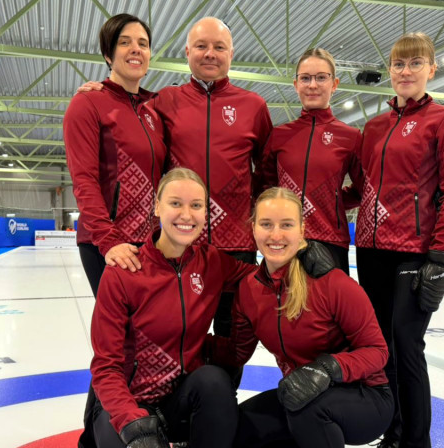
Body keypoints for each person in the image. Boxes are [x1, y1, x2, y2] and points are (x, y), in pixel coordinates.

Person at [79, 16, 273, 377]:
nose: (210, 53)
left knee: (232, 343)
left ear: (232, 54)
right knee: (173, 339)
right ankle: (177, 408)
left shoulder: (254, 107)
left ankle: (221, 407)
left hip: (236, 249)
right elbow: (127, 104)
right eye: (201, 46)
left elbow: (267, 175)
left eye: (219, 47)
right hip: (180, 245)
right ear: (187, 52)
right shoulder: (164, 101)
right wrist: (101, 90)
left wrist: (260, 228)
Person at [354, 33, 444, 448]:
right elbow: (363, 187)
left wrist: (440, 256)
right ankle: (394, 433)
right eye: (399, 64)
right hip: (370, 251)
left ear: (431, 70)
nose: (406, 71)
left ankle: (417, 441)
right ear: (390, 71)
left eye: (415, 63)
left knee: (406, 345)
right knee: (380, 346)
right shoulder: (374, 127)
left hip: (413, 252)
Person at [209, 187, 393, 448]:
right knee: (239, 429)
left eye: (286, 225)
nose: (276, 235)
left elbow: (377, 351)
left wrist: (327, 369)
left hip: (365, 396)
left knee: (307, 408)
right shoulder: (248, 290)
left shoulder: (332, 283)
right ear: (253, 229)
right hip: (301, 391)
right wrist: (191, 345)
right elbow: (237, 353)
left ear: (302, 229)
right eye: (266, 224)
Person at [90, 168, 256, 448]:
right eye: (176, 203)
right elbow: (106, 367)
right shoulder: (124, 271)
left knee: (214, 381)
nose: (186, 215)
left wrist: (297, 256)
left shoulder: (211, 262)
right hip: (126, 405)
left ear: (206, 213)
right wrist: (132, 422)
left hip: (178, 402)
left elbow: (262, 278)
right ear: (157, 206)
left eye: (196, 205)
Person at [63, 14, 167, 448]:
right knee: (117, 342)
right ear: (108, 53)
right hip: (106, 244)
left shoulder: (155, 109)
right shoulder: (88, 104)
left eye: (142, 42)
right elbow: (84, 179)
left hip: (148, 245)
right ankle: (94, 438)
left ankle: (126, 424)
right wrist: (109, 241)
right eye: (125, 42)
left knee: (136, 340)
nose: (135, 49)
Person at [258, 48, 361, 273]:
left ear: (334, 84)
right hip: (284, 238)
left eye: (321, 77)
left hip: (331, 240)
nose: (313, 85)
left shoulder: (350, 137)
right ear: (296, 85)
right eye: (305, 78)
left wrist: (330, 201)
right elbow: (266, 188)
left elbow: (363, 190)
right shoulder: (279, 136)